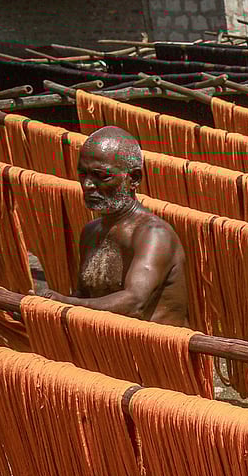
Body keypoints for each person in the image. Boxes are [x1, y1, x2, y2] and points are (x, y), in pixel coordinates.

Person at [34, 126, 188, 327]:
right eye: (83, 174)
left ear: (133, 179)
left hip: (155, 354)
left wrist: (62, 303)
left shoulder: (153, 235)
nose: (88, 184)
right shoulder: (91, 232)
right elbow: (84, 296)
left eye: (101, 176)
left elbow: (133, 304)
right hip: (109, 349)